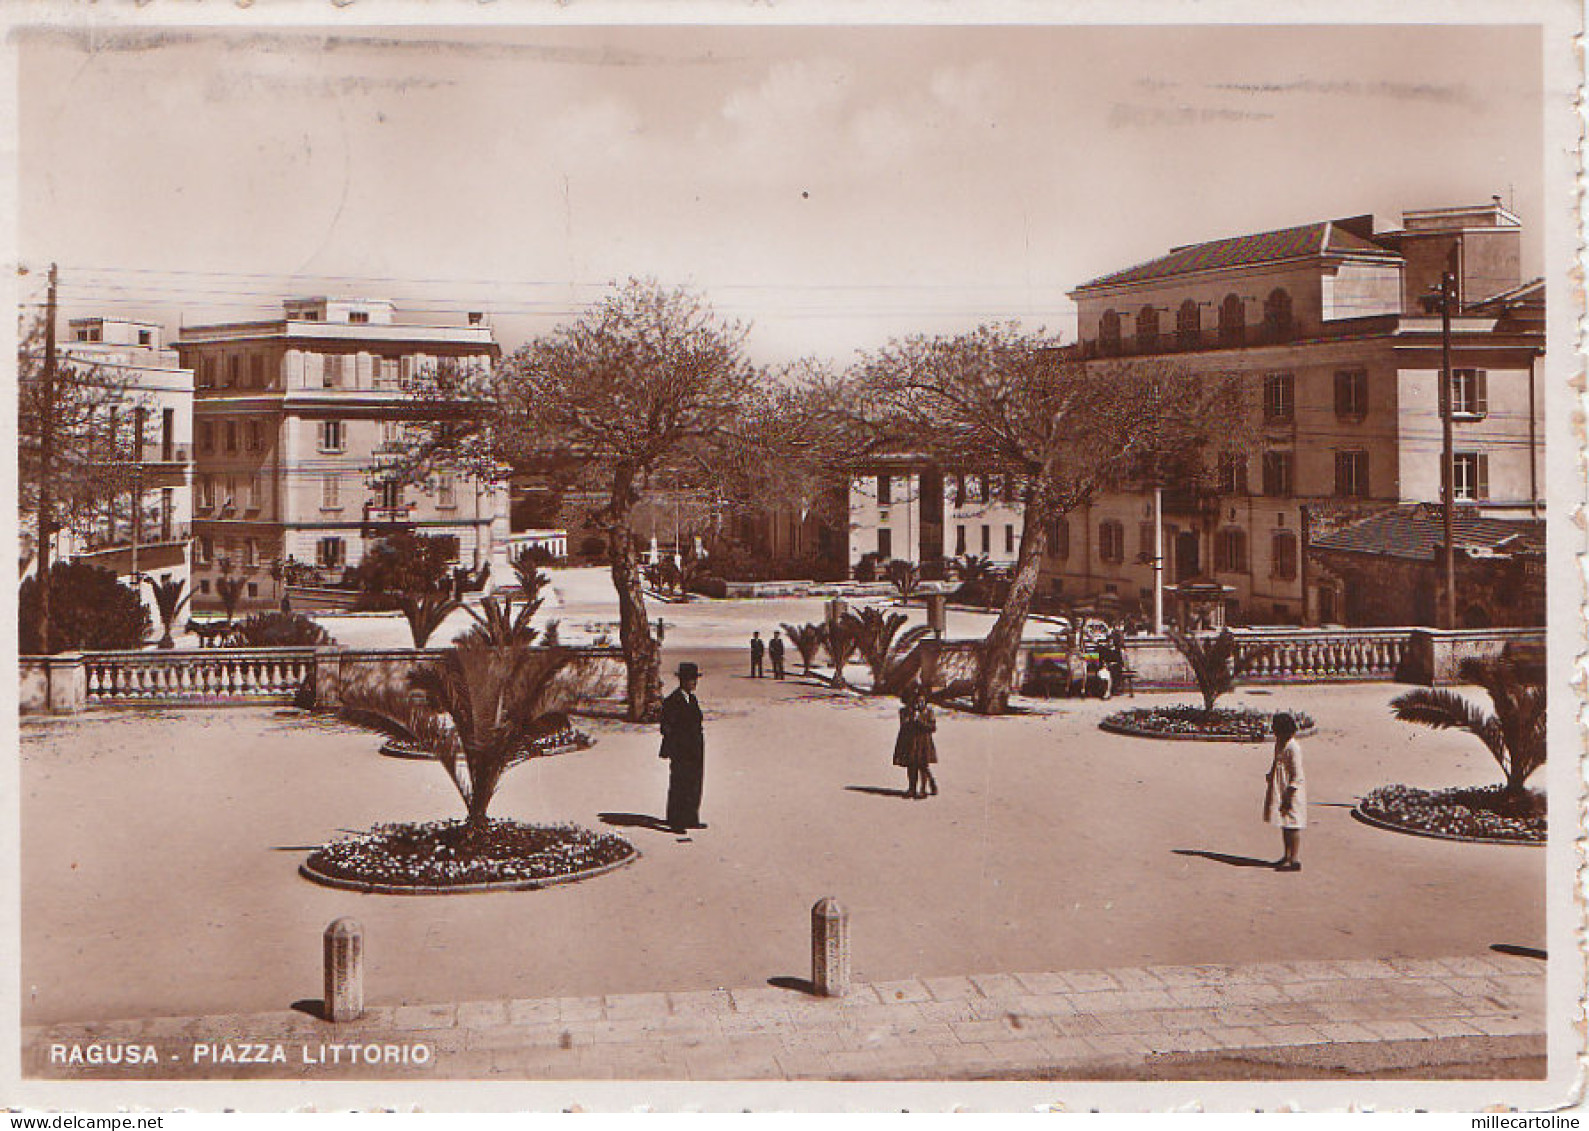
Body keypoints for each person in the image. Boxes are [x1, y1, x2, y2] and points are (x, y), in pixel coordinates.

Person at [659, 662, 707, 834]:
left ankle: (690, 817)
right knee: (679, 784)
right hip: (681, 751)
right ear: (682, 681)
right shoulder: (673, 700)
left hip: (695, 749)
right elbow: (666, 727)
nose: (694, 683)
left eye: (695, 679)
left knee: (694, 783)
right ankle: (676, 821)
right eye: (690, 679)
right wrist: (677, 746)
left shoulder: (692, 699)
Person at [1263, 712, 1306, 871]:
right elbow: (1276, 761)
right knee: (1285, 823)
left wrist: (1289, 795)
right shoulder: (1279, 743)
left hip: (1292, 791)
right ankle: (1286, 856)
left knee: (1293, 824)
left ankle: (1294, 859)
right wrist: (1271, 773)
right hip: (1281, 787)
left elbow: (1297, 775)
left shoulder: (1293, 747)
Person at [892, 684, 939, 799]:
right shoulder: (905, 711)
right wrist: (910, 721)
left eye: (921, 700)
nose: (919, 703)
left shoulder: (928, 712)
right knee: (911, 766)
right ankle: (912, 788)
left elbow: (932, 727)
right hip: (910, 742)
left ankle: (924, 788)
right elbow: (903, 725)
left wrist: (921, 723)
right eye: (916, 700)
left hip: (924, 741)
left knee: (923, 765)